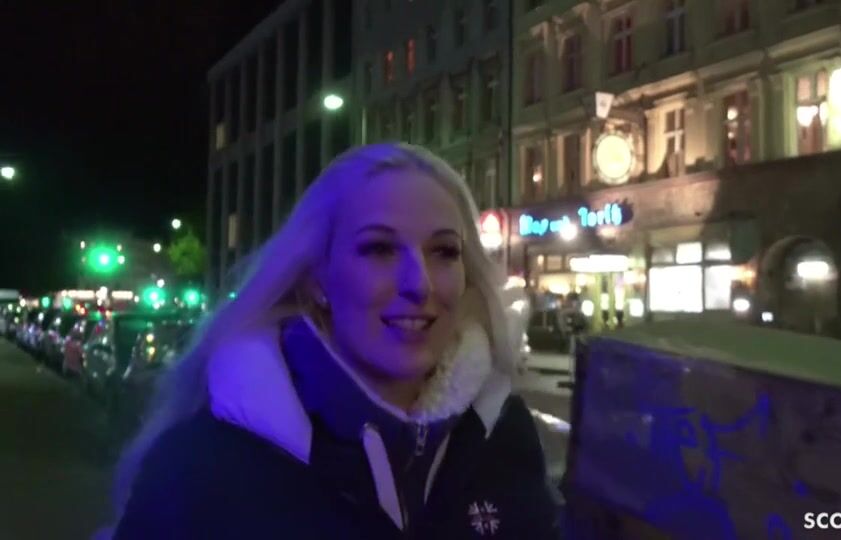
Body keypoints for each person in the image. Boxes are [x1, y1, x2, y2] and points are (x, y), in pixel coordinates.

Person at [102, 143, 560, 539]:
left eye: (444, 251)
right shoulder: (201, 467)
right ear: (317, 278)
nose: (419, 283)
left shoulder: (503, 434)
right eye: (379, 248)